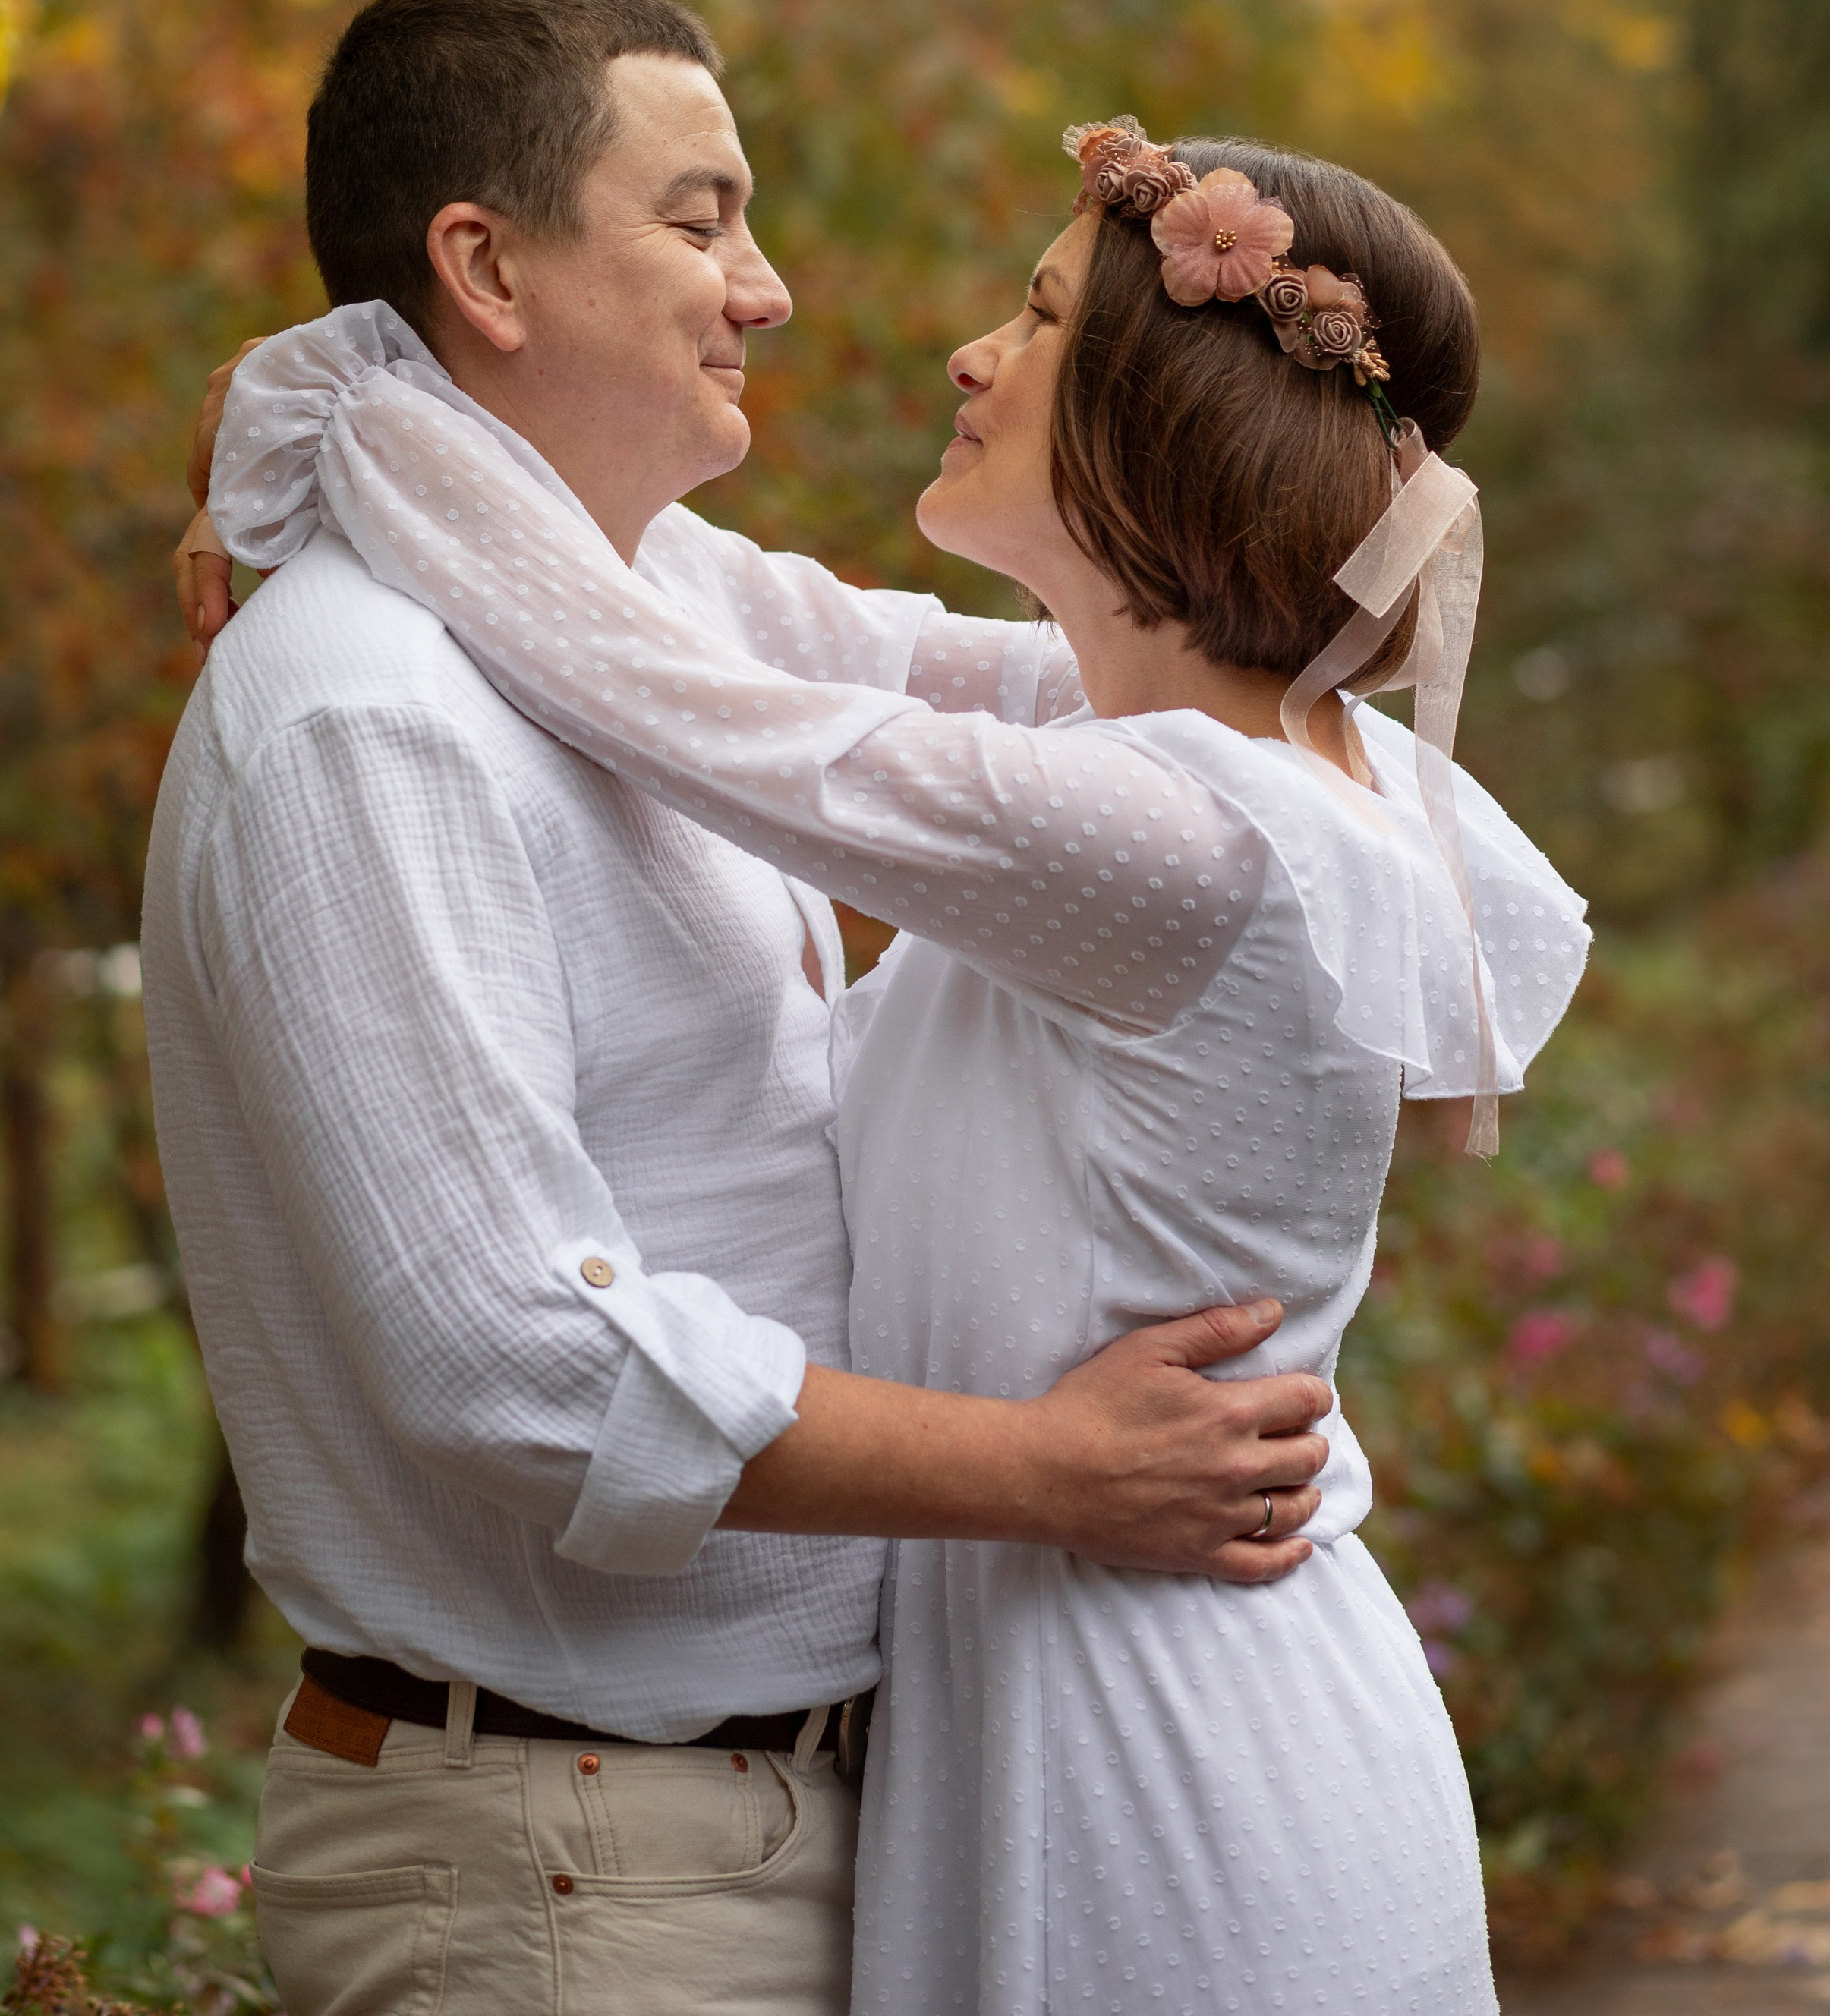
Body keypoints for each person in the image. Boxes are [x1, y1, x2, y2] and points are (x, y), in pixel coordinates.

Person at [203, 112, 1589, 2016]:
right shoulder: (1231, 767)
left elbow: (690, 703)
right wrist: (333, 398)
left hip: (1171, 1744)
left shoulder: (1176, 835)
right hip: (1046, 1697)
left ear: (1150, 409)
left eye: (1031, 317)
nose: (969, 353)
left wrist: (354, 422)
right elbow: (756, 625)